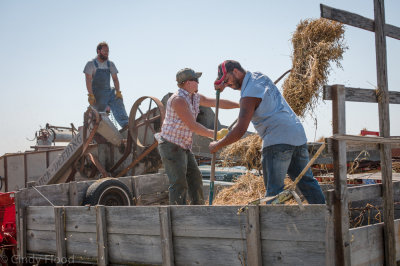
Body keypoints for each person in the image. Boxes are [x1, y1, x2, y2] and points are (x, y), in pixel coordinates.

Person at [209, 60, 325, 204]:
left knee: (273, 192)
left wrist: (218, 145)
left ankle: (274, 226)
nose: (228, 84)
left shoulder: (249, 95)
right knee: (307, 183)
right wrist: (223, 85)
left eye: (227, 80)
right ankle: (325, 220)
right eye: (225, 83)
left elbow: (240, 130)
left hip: (277, 140)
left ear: (236, 72)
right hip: (297, 134)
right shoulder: (258, 77)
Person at [158, 68, 239, 205]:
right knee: (179, 182)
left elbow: (216, 102)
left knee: (195, 178)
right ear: (188, 83)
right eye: (196, 80)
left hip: (183, 145)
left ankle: (198, 210)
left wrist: (239, 105)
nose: (198, 82)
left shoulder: (194, 97)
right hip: (170, 145)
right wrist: (215, 134)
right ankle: (178, 215)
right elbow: (193, 126)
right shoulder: (178, 100)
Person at [83, 42, 129, 128]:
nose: (106, 53)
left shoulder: (110, 64)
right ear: (98, 51)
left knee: (117, 98)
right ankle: (98, 129)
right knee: (99, 116)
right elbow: (88, 80)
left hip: (109, 91)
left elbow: (115, 79)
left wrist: (118, 92)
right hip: (97, 93)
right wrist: (90, 94)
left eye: (108, 51)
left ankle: (126, 124)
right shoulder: (91, 64)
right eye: (104, 51)